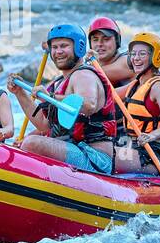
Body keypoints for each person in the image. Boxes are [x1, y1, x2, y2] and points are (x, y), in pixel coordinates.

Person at [8, 24, 119, 173]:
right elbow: (44, 125)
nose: (58, 52)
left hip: (95, 158)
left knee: (32, 143)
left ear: (79, 47)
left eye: (63, 46)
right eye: (54, 47)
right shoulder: (57, 83)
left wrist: (51, 98)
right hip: (72, 149)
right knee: (26, 143)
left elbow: (89, 104)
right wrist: (20, 93)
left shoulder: (84, 75)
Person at [113, 32, 160, 174]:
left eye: (142, 54)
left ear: (155, 57)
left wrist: (151, 135)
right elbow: (109, 94)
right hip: (130, 145)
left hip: (149, 154)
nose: (136, 58)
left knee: (104, 156)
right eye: (133, 54)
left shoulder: (157, 86)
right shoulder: (135, 84)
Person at [88, 16, 135, 86]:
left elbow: (92, 75)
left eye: (106, 39)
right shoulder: (91, 65)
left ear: (117, 41)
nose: (99, 44)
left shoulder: (128, 61)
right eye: (95, 40)